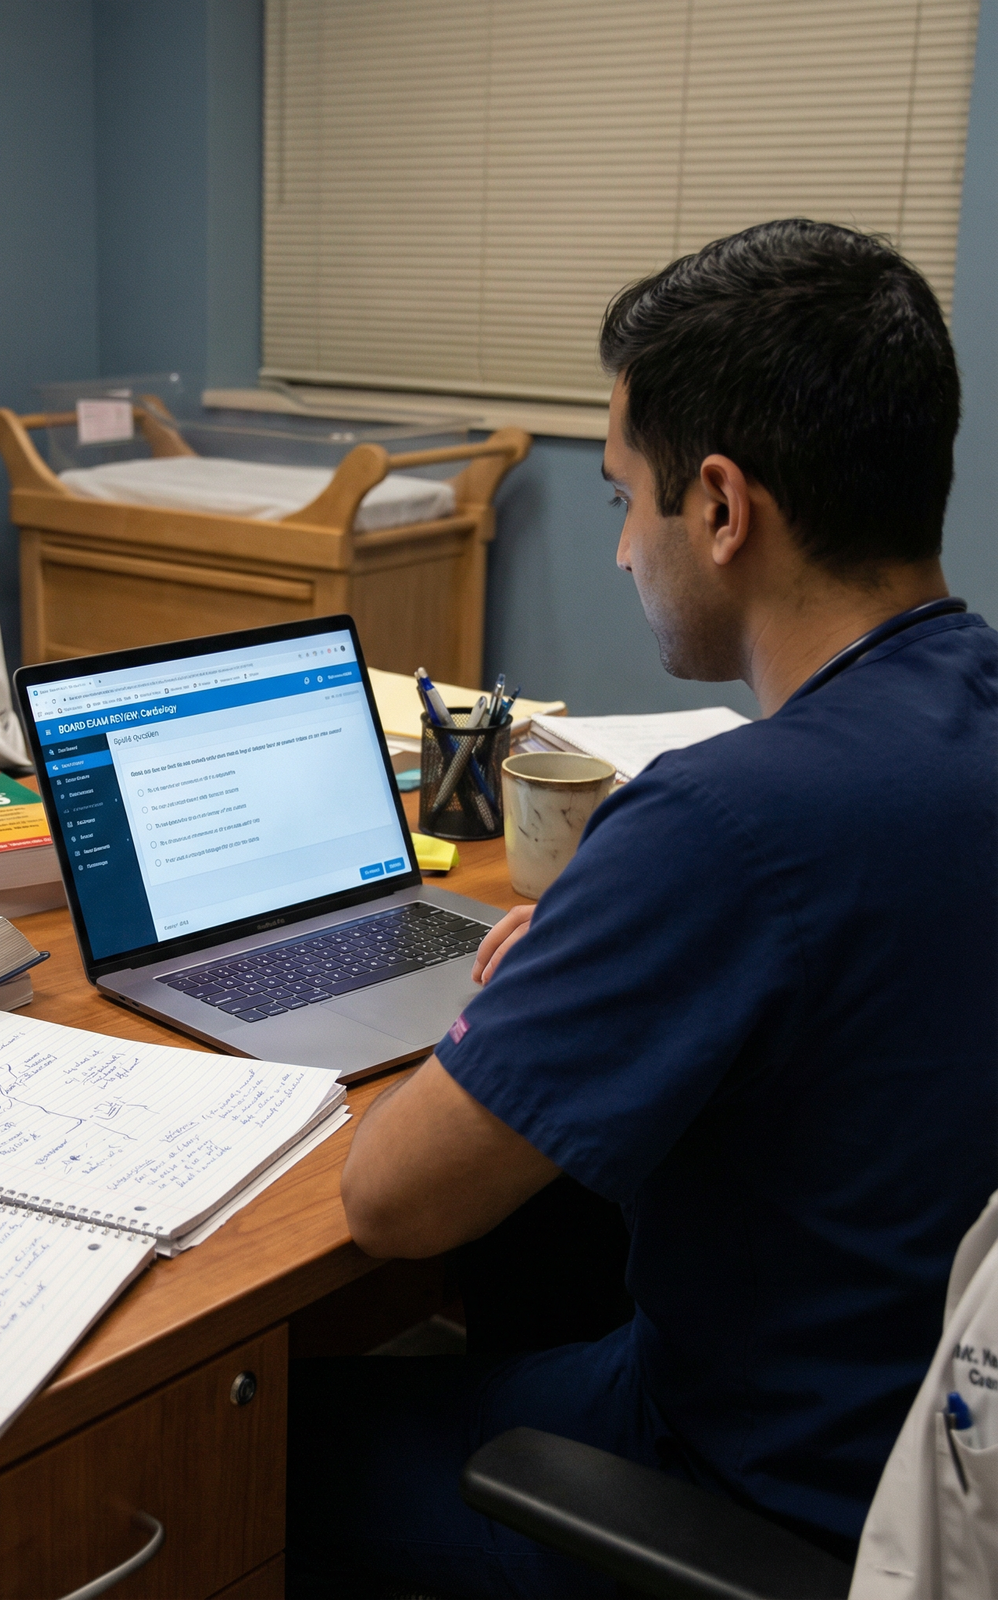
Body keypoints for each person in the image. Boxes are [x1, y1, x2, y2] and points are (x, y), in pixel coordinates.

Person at [286, 218, 998, 1599]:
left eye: (625, 497)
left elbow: (388, 1206)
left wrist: (515, 996)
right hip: (910, 1435)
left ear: (723, 509)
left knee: (238, 1463)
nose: (620, 548)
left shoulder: (726, 822)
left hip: (751, 1489)